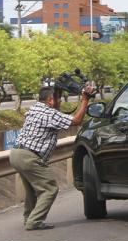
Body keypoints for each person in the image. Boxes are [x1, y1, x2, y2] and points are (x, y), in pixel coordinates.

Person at [10, 85, 94, 230]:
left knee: (31, 190)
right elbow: (76, 121)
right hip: (30, 157)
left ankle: (29, 218)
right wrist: (85, 100)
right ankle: (34, 221)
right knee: (50, 189)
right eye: (58, 98)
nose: (59, 101)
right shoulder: (50, 114)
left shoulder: (35, 108)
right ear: (50, 100)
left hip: (16, 154)